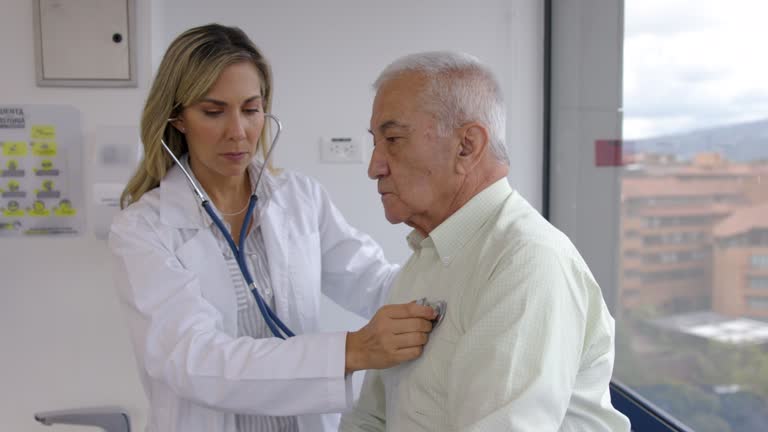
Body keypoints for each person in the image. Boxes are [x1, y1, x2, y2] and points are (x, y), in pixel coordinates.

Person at [108, 24, 437, 432]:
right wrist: (350, 351)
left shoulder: (297, 198)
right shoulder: (143, 230)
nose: (238, 131)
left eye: (251, 109)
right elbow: (194, 360)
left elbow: (373, 280)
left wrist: (450, 288)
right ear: (177, 119)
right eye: (213, 112)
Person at [339, 51, 631, 431]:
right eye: (376, 142)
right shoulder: (422, 262)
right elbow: (370, 418)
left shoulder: (526, 263)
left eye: (393, 139)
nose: (374, 166)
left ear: (467, 146)